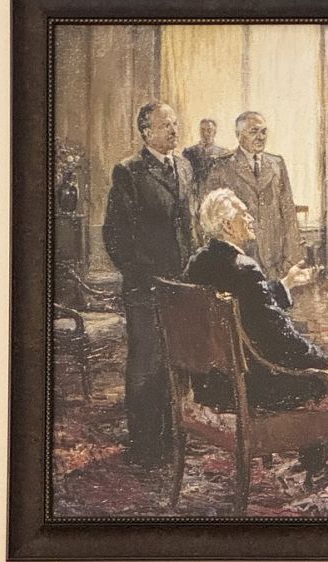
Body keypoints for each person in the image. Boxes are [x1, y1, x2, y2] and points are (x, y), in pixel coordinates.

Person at [183, 188, 328, 510]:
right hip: (253, 387)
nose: (250, 217)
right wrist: (326, 362)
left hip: (214, 383)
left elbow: (250, 306)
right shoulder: (244, 268)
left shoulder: (199, 262)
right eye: (243, 213)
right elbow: (279, 338)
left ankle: (315, 463)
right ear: (227, 225)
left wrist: (285, 284)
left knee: (311, 360)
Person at [103, 101, 197, 466]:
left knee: (175, 362)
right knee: (146, 364)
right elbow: (115, 236)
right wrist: (141, 275)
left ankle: (170, 437)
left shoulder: (184, 167)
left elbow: (188, 227)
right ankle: (144, 443)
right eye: (165, 125)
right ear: (146, 132)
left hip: (181, 286)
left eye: (175, 123)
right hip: (146, 287)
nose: (174, 130)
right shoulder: (129, 171)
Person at [203, 111, 303, 280]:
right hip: (240, 261)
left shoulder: (276, 163)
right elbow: (211, 218)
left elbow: (289, 213)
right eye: (253, 132)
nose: (260, 137)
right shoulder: (222, 166)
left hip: (276, 262)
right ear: (238, 135)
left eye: (263, 132)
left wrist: (291, 260)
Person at [182, 118, 229, 184]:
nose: (205, 133)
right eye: (202, 130)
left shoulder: (223, 153)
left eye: (209, 130)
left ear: (214, 132)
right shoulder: (189, 152)